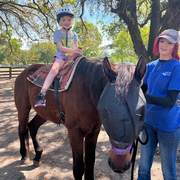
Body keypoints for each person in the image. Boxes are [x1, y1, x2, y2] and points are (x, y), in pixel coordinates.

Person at [138, 29, 180, 180]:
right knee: (143, 168)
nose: (164, 45)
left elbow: (170, 101)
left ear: (174, 46)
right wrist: (134, 85)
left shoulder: (177, 67)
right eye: (162, 41)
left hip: (168, 126)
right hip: (149, 123)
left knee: (168, 172)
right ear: (158, 43)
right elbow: (140, 89)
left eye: (169, 42)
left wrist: (144, 97)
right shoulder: (150, 66)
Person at [35, 7, 83, 107]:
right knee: (54, 70)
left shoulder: (74, 34)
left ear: (72, 21)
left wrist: (78, 51)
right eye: (64, 20)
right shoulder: (57, 33)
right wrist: (74, 50)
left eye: (69, 20)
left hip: (72, 57)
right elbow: (61, 47)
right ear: (60, 21)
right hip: (61, 57)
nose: (66, 22)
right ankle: (42, 94)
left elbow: (76, 47)